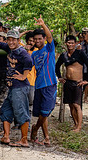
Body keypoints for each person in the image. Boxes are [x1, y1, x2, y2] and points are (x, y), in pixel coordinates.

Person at [0, 29, 33, 147]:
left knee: (21, 112)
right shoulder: (9, 49)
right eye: (9, 39)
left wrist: (24, 76)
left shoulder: (22, 52)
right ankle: (6, 136)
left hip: (20, 87)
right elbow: (0, 44)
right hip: (12, 87)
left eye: (13, 40)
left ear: (18, 41)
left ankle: (24, 140)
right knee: (5, 110)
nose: (11, 42)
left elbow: (29, 61)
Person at [55, 35, 88, 132]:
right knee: (71, 105)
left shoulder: (80, 53)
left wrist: (87, 80)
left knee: (77, 105)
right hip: (68, 82)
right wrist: (59, 77)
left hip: (78, 83)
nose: (70, 45)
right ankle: (75, 124)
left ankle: (79, 127)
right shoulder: (64, 55)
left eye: (72, 43)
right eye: (68, 43)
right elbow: (57, 66)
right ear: (65, 43)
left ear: (75, 44)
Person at [29, 16, 57, 146]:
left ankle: (35, 129)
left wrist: (43, 25)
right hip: (38, 85)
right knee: (41, 113)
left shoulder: (49, 49)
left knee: (46, 111)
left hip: (50, 84)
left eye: (40, 38)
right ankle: (46, 137)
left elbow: (50, 37)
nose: (38, 41)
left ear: (44, 39)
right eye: (36, 39)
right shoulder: (34, 54)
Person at [24, 32, 37, 106]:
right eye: (29, 40)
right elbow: (17, 39)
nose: (31, 42)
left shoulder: (36, 50)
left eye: (33, 41)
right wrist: (26, 31)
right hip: (22, 80)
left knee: (31, 101)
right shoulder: (23, 48)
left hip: (32, 81)